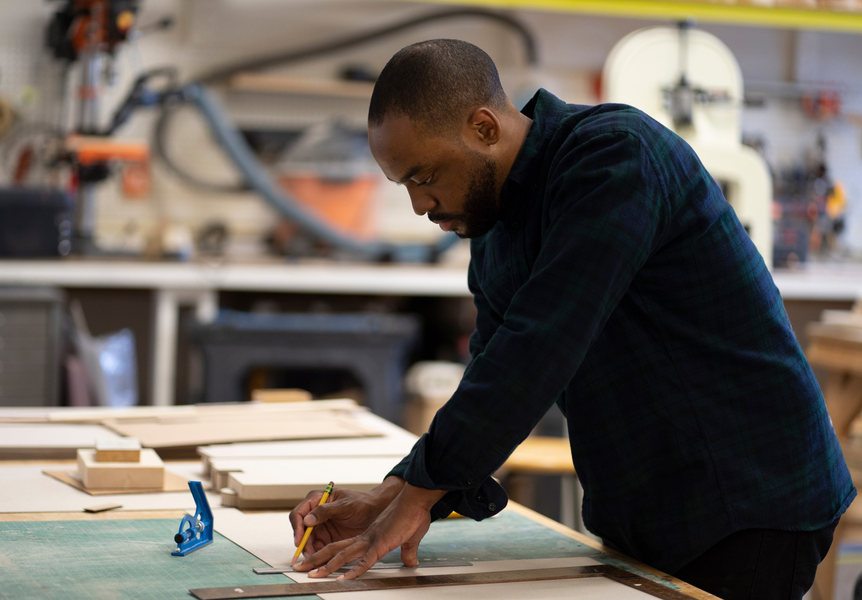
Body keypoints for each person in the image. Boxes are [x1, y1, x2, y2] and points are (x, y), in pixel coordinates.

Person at [289, 39, 855, 599]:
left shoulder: (615, 159)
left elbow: (537, 350)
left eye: (424, 176)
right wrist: (392, 493)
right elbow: (493, 365)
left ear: (484, 128)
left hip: (745, 497)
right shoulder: (494, 225)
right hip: (653, 505)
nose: (418, 204)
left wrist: (416, 497)